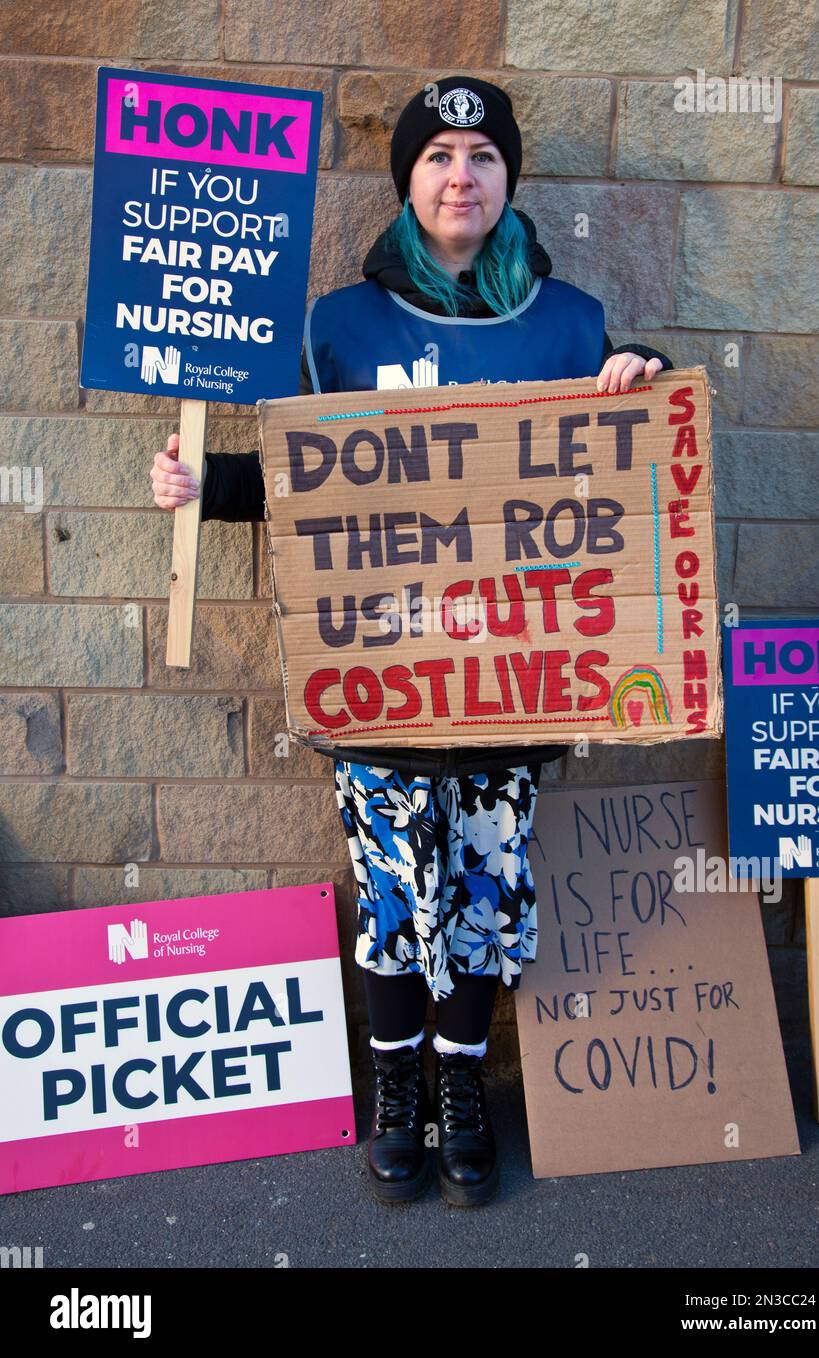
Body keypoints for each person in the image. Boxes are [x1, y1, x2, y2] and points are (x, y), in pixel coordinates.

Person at [150, 76, 673, 1207]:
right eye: (437, 154)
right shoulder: (337, 324)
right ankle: (395, 1085)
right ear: (408, 179)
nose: (459, 175)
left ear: (506, 181)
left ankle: (459, 1086)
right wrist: (205, 486)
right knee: (391, 888)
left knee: (482, 888)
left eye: (481, 156)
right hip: (381, 671)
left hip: (513, 679)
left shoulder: (571, 322)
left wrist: (640, 384)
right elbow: (304, 480)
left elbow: (629, 478)